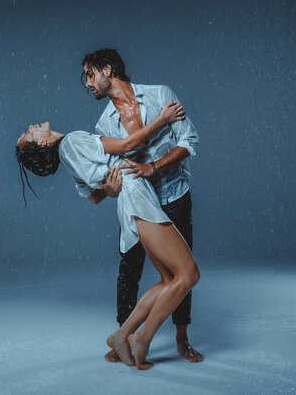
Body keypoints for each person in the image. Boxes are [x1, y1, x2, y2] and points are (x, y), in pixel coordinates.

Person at [15, 103, 200, 370]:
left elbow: (94, 195)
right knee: (188, 274)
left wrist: (110, 190)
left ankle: (121, 335)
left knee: (169, 279)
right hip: (137, 197)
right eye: (29, 133)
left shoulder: (68, 156)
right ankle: (143, 339)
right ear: (43, 143)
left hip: (130, 201)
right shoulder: (74, 140)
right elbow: (125, 147)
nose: (30, 127)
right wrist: (163, 119)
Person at [81, 48, 203, 362]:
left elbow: (188, 142)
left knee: (182, 271)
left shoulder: (160, 94)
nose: (87, 83)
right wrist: (108, 188)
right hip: (138, 205)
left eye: (90, 74)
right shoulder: (104, 126)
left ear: (107, 69)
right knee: (129, 270)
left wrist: (154, 167)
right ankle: (122, 337)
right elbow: (109, 171)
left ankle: (182, 339)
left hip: (174, 194)